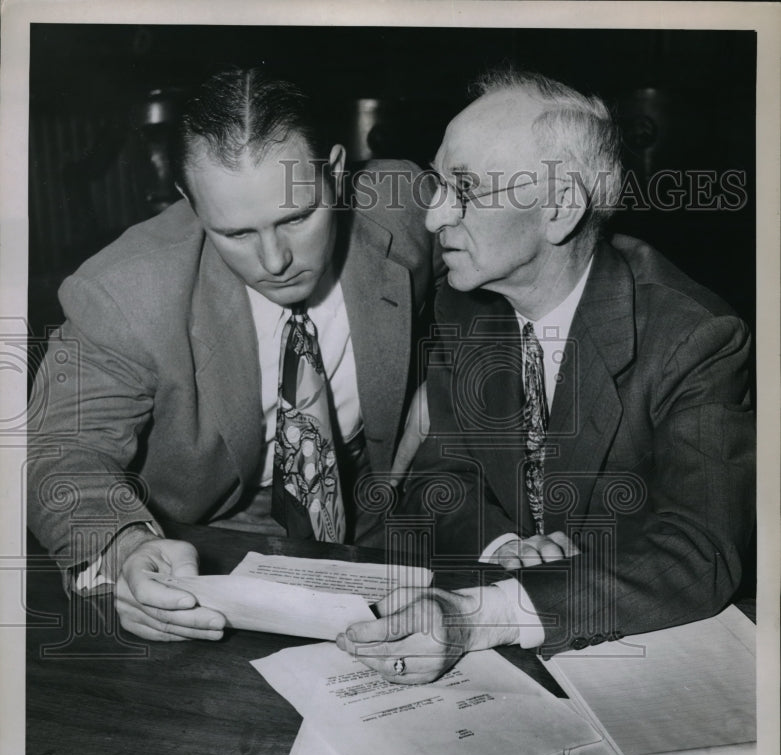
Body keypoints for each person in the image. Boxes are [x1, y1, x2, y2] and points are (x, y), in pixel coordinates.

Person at [338, 68, 754, 684]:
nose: (431, 219)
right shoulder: (463, 304)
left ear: (559, 208)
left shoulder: (694, 336)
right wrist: (501, 547)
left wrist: (486, 615)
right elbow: (439, 474)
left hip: (645, 657)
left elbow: (700, 553)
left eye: (465, 189)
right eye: (437, 182)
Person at [27, 69, 439, 642]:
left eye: (297, 218)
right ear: (191, 206)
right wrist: (124, 545)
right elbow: (56, 455)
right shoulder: (122, 293)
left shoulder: (405, 208)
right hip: (204, 541)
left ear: (338, 173)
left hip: (383, 515)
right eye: (237, 234)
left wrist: (443, 386)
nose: (275, 261)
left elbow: (523, 273)